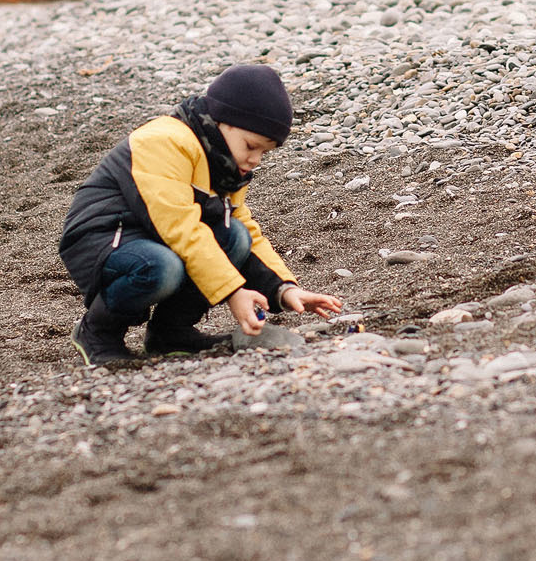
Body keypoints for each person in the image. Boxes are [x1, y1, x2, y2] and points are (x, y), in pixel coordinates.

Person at [58, 64, 344, 366]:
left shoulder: (223, 162)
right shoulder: (165, 141)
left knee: (234, 235)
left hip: (152, 236)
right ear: (224, 122)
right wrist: (234, 292)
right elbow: (181, 229)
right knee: (161, 267)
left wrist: (285, 290)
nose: (256, 160)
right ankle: (97, 332)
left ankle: (170, 333)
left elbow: (243, 228)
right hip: (103, 237)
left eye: (265, 152)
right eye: (251, 146)